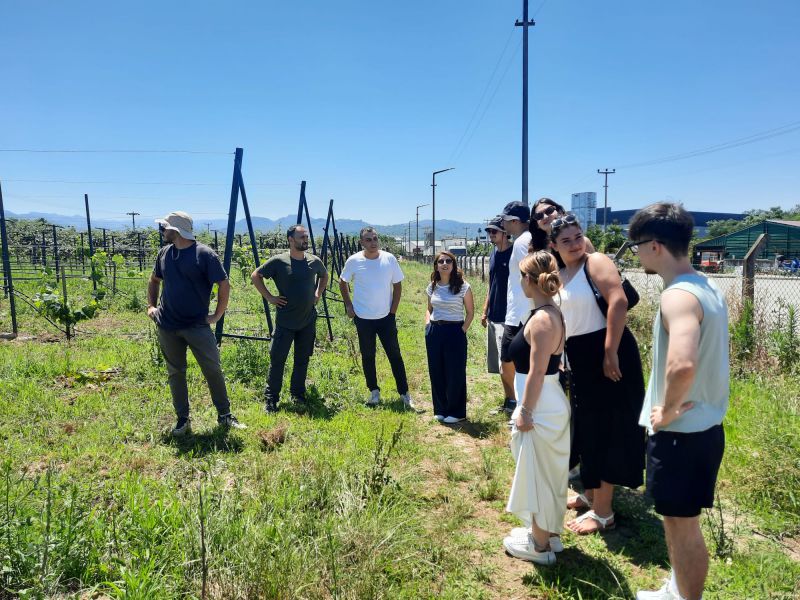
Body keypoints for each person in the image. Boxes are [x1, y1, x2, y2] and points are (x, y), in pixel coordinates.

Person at [629, 203, 729, 600]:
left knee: (681, 525)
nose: (636, 253)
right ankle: (677, 589)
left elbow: (682, 364)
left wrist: (668, 411)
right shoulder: (705, 286)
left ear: (654, 246)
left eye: (636, 245)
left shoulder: (678, 297)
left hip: (680, 433)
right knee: (682, 522)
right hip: (705, 427)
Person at [549, 214, 645, 535]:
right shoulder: (561, 273)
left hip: (607, 351)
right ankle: (590, 494)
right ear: (554, 246)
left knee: (607, 429)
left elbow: (618, 302)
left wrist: (610, 351)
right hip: (580, 357)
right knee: (587, 427)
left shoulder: (596, 261)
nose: (575, 244)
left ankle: (604, 513)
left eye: (578, 237)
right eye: (566, 240)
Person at [147, 211, 245, 436]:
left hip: (196, 325)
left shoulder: (204, 254)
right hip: (167, 325)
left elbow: (224, 284)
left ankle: (225, 415)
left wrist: (217, 315)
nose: (162, 231)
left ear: (176, 230)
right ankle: (182, 419)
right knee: (175, 372)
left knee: (213, 370)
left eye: (165, 227)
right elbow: (154, 280)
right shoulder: (164, 253)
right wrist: (151, 306)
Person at [503, 251, 570, 565]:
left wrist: (525, 411)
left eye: (521, 276)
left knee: (538, 473)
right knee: (545, 471)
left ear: (529, 280)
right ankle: (547, 535)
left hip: (540, 404)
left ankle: (540, 546)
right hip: (545, 400)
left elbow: (537, 372)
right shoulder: (549, 311)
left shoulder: (543, 319)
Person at [251, 224, 329, 412]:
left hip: (307, 321)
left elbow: (324, 275)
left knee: (302, 359)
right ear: (291, 239)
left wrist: (318, 293)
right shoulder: (279, 261)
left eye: (306, 237)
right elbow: (256, 275)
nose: (305, 240)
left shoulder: (314, 261)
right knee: (278, 360)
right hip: (285, 322)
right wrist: (270, 297)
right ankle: (271, 399)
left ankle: (297, 394)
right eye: (302, 237)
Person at [339, 227, 413, 409]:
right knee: (368, 355)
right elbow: (343, 281)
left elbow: (397, 286)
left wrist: (393, 311)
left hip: (386, 317)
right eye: (368, 239)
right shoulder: (354, 261)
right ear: (361, 242)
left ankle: (404, 393)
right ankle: (374, 392)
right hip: (363, 317)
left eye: (375, 238)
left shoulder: (389, 259)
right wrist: (349, 305)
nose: (373, 242)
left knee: (394, 354)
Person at [424, 250, 475, 424]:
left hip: (455, 331)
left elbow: (470, 312)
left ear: (453, 265)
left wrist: (462, 330)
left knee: (455, 372)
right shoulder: (432, 286)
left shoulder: (463, 286)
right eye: (441, 261)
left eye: (448, 261)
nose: (444, 264)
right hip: (434, 332)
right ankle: (440, 409)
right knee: (436, 370)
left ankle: (456, 412)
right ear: (436, 266)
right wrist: (427, 324)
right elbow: (429, 309)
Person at [500, 201, 534, 414]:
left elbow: (531, 275)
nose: (502, 223)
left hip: (520, 314)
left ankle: (518, 404)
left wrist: (528, 313)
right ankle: (516, 403)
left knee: (509, 362)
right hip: (520, 313)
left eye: (504, 220)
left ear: (514, 221)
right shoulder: (524, 240)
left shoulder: (523, 242)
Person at [480, 216, 515, 412]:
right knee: (499, 364)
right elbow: (491, 284)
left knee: (507, 363)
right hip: (494, 315)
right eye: (489, 231)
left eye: (494, 231)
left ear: (505, 232)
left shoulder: (514, 253)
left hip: (508, 316)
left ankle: (515, 402)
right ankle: (508, 400)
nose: (491, 234)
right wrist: (485, 310)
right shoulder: (493, 254)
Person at [529, 197, 596, 257]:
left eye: (549, 210)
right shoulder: (534, 250)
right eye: (538, 216)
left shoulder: (582, 243)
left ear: (559, 212)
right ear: (536, 224)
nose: (545, 217)